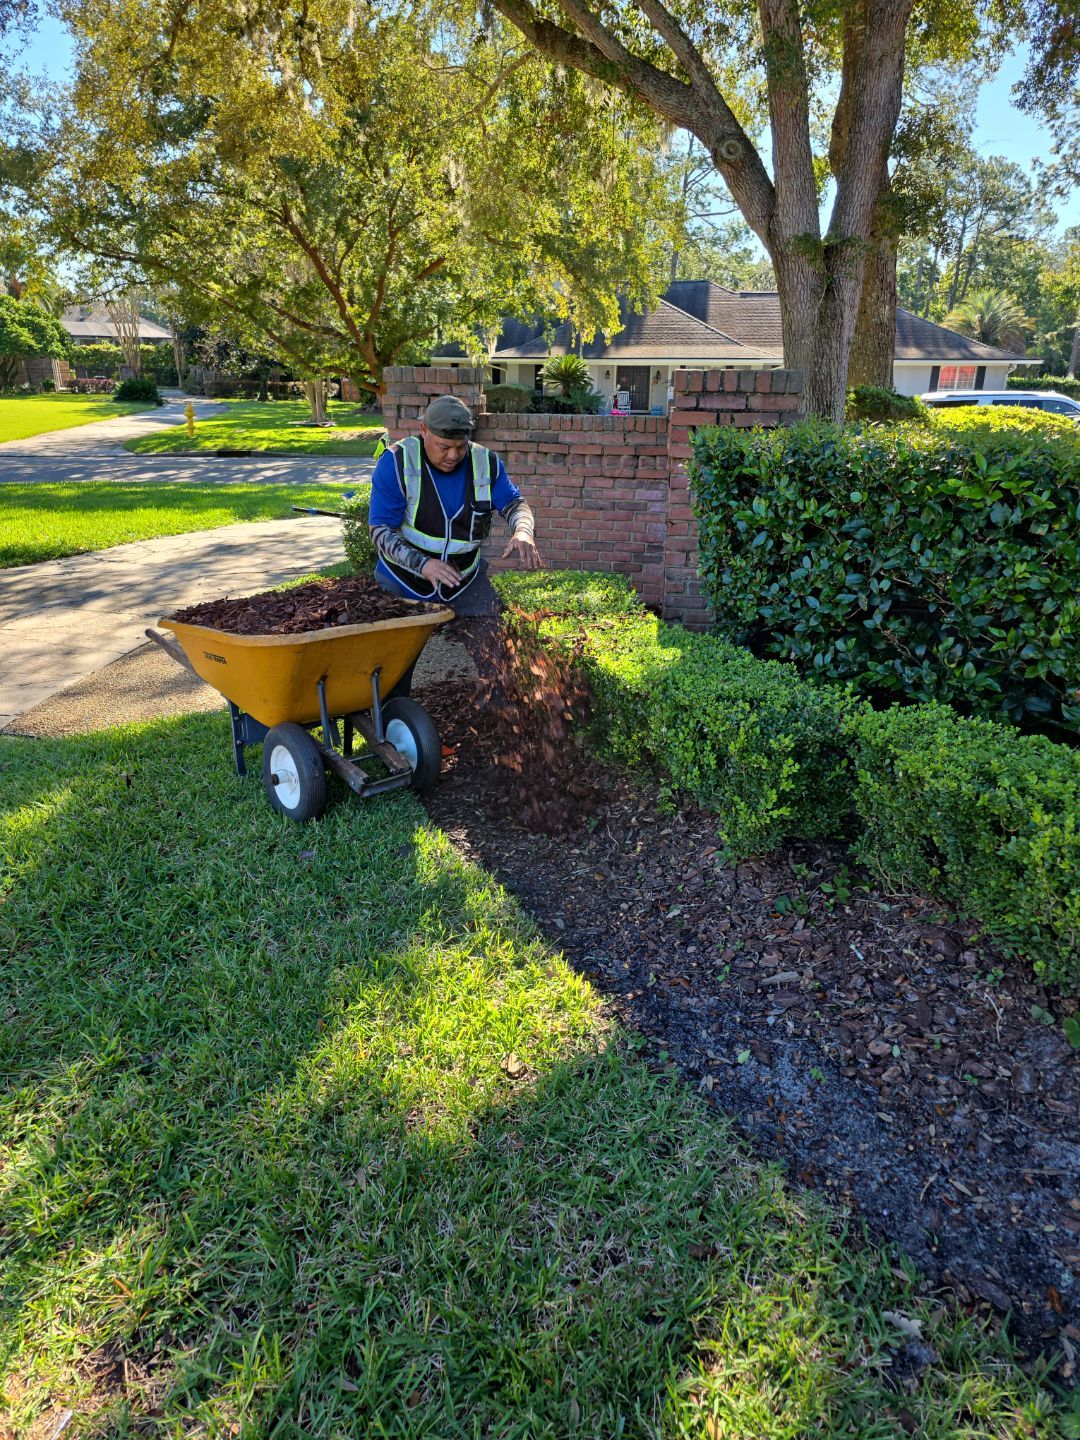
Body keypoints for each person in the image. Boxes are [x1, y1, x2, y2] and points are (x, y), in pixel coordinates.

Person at [368, 394, 543, 696]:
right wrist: (423, 564)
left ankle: (498, 712)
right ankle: (394, 720)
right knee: (393, 666)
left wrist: (523, 530)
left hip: (465, 579)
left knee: (496, 649)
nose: (452, 455)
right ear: (423, 430)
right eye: (444, 447)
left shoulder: (486, 463)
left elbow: (515, 504)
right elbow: (381, 531)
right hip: (403, 580)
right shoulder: (397, 462)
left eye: (460, 447)